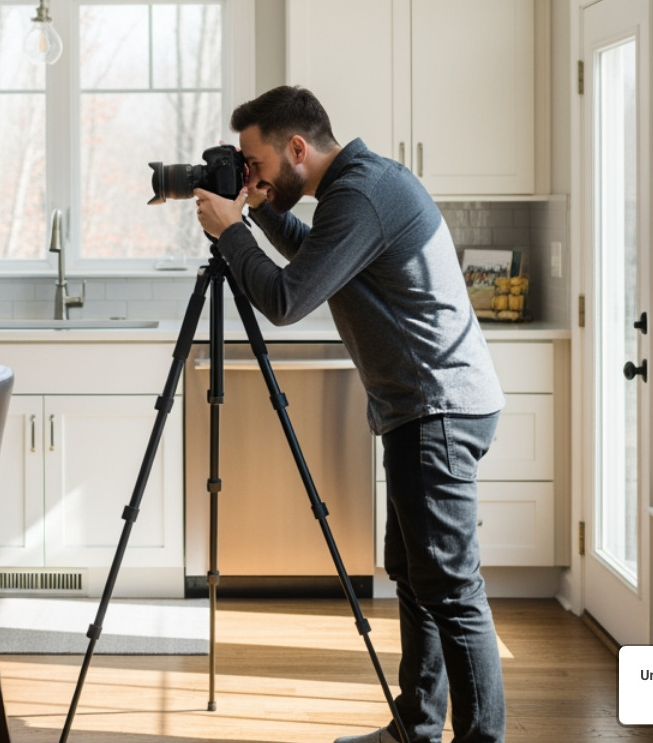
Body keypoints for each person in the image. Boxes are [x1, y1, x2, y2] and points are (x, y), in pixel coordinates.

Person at [192, 85, 506, 743]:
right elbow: (317, 253)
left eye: (258, 162)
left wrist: (233, 229)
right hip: (424, 409)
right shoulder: (357, 187)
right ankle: (415, 728)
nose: (251, 174)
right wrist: (257, 206)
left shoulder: (359, 194)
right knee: (416, 580)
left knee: (449, 590)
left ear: (297, 148)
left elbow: (286, 295)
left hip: (435, 411)